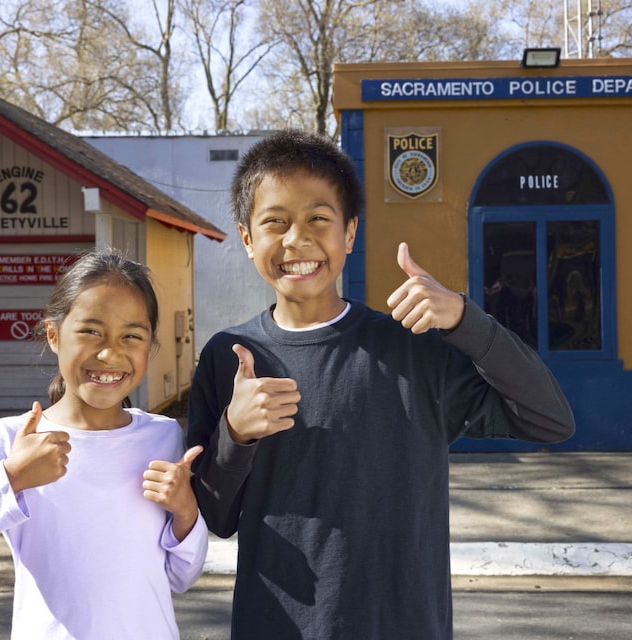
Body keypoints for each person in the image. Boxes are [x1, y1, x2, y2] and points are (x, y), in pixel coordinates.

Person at [187, 129, 576, 639]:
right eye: (275, 222)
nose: (296, 240)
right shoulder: (229, 357)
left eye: (318, 220)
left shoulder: (412, 349)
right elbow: (215, 515)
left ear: (349, 233)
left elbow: (549, 420)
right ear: (246, 238)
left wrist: (465, 319)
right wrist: (234, 435)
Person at [0, 248, 208, 640]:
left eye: (132, 335)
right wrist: (9, 479)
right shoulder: (12, 441)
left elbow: (181, 578)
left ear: (150, 346)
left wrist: (185, 513)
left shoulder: (163, 438)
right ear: (54, 335)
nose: (110, 353)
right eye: (91, 331)